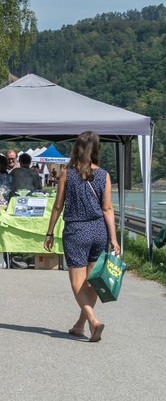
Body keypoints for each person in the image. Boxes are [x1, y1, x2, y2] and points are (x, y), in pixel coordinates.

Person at [44, 131, 119, 342]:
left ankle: (93, 321)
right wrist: (113, 238)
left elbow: (58, 206)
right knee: (91, 282)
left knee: (77, 282)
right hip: (98, 231)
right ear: (96, 149)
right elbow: (108, 209)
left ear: (76, 148)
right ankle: (79, 325)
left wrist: (49, 232)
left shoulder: (68, 174)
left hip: (76, 231)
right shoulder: (104, 175)